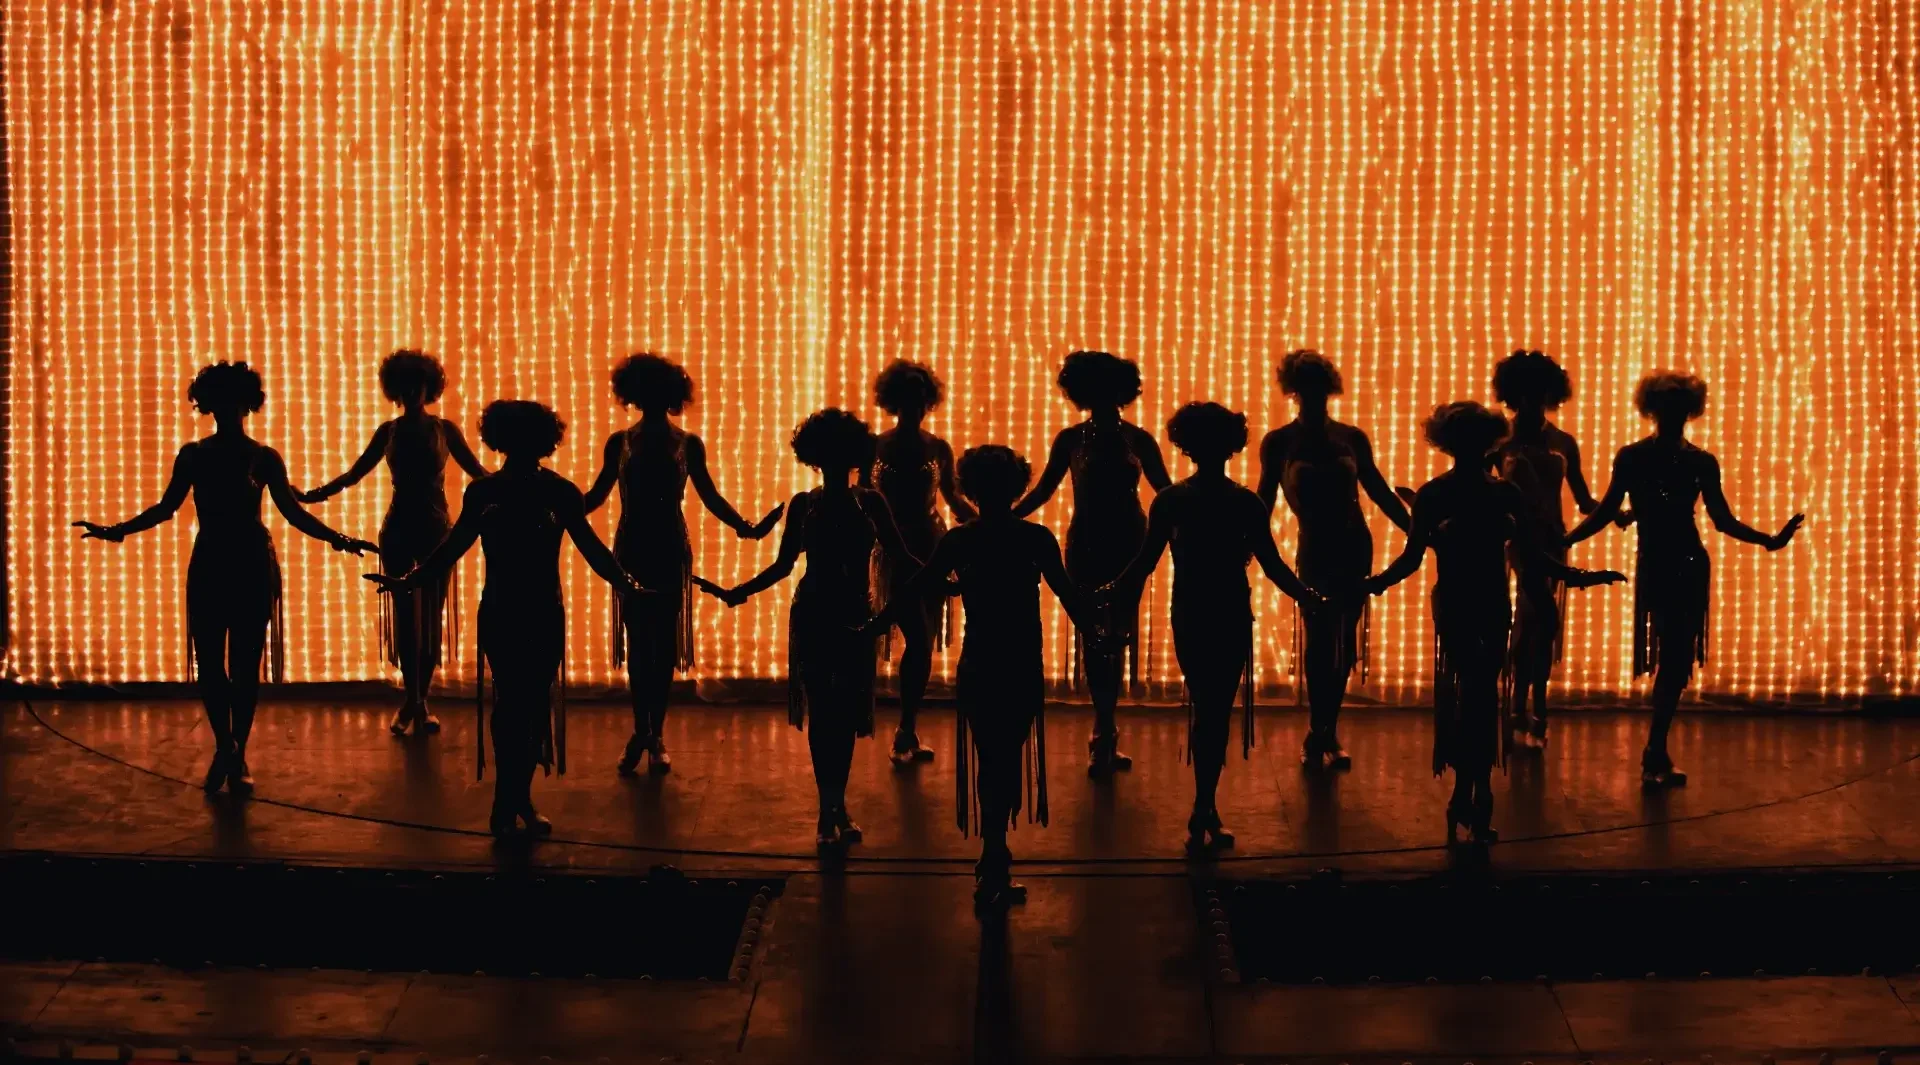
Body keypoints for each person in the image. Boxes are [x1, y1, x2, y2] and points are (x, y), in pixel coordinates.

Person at [75, 362, 376, 794]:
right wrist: (117, 530)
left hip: (242, 563)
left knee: (240, 666)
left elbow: (292, 511)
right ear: (212, 405)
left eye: (231, 401)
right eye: (221, 401)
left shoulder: (258, 457)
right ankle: (229, 750)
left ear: (243, 404)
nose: (227, 409)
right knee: (215, 665)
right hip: (222, 562)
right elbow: (166, 508)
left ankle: (233, 751)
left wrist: (338, 539)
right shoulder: (200, 455)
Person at [366, 400, 649, 837]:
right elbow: (456, 546)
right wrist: (628, 584)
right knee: (525, 703)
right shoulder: (529, 492)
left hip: (514, 608)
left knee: (518, 704)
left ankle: (511, 801)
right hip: (525, 609)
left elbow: (453, 548)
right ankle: (514, 801)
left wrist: (412, 579)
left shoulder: (506, 492)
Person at [1365, 402, 1625, 845]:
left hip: (1476, 602)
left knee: (1476, 694)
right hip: (1473, 602)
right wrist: (1577, 576)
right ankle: (1475, 792)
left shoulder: (1447, 493)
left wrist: (1374, 584)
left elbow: (1416, 559)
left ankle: (1468, 792)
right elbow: (1529, 555)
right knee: (1479, 693)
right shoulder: (1487, 494)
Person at [867, 444, 1099, 913]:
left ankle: (993, 856)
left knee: (989, 755)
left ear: (971, 489)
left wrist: (875, 624)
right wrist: (1099, 634)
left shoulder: (960, 541)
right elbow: (1069, 596)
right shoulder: (1035, 538)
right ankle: (996, 855)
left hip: (980, 661)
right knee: (1006, 755)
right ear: (1017, 488)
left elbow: (917, 586)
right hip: (1020, 660)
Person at [1564, 372, 1803, 787]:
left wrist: (1769, 540)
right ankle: (1656, 750)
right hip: (1673, 562)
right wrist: (1769, 540)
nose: (1673, 415)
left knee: (1673, 658)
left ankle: (1656, 748)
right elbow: (1608, 512)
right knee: (1672, 658)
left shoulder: (1652, 458)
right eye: (1668, 408)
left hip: (1675, 562)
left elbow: (1719, 519)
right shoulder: (1679, 460)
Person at [1105, 403, 1325, 853]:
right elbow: (1272, 565)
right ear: (1231, 446)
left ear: (1186, 446)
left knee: (1207, 707)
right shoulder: (1244, 502)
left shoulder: (1172, 501)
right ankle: (1205, 805)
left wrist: (1108, 596)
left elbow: (1144, 563)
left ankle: (1204, 806)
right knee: (1215, 710)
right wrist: (1308, 596)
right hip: (1228, 611)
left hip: (1191, 610)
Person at [712, 409, 919, 849]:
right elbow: (785, 565)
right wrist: (739, 591)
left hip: (854, 617)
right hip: (819, 615)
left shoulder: (868, 502)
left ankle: (834, 805)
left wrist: (947, 574)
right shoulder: (807, 504)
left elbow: (901, 556)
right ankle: (832, 805)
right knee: (827, 713)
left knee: (840, 715)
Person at [582, 353, 780, 776]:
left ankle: (652, 734)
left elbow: (709, 495)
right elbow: (596, 495)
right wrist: (556, 508)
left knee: (661, 647)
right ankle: (644, 732)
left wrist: (745, 527)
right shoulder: (621, 442)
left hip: (669, 549)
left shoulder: (687, 444)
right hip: (633, 550)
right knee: (641, 646)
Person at [299, 350, 490, 736]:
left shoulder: (445, 430)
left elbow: (479, 473)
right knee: (406, 620)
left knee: (430, 619)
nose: (413, 392)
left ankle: (417, 702)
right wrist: (311, 495)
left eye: (418, 385)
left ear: (428, 387)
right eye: (406, 386)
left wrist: (516, 487)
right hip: (399, 530)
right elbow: (354, 473)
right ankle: (415, 702)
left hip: (436, 531)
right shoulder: (388, 432)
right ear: (397, 391)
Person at [1015, 351, 1172, 775]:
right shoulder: (1076, 439)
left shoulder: (1134, 439)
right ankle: (1104, 729)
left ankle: (1104, 728)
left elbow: (1166, 492)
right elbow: (1045, 490)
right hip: (1089, 543)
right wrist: (1005, 518)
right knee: (1096, 633)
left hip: (1127, 545)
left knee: (1114, 633)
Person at [1256, 350, 1413, 771]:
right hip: (1315, 547)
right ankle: (1319, 728)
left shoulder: (1351, 438)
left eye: (1321, 389)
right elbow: (1264, 499)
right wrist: (1246, 540)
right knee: (1320, 637)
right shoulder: (1279, 442)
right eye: (1308, 389)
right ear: (1295, 392)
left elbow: (1378, 491)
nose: (1315, 397)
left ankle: (1326, 729)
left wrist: (1417, 531)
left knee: (1344, 638)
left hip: (1353, 545)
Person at [861, 360, 974, 766]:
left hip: (931, 545)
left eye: (921, 400)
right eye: (910, 400)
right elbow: (864, 498)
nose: (917, 407)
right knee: (920, 638)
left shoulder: (937, 448)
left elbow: (952, 497)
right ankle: (904, 729)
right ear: (895, 403)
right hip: (894, 548)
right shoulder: (875, 446)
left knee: (922, 639)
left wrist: (981, 523)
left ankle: (907, 728)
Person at [1490, 350, 1600, 748]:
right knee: (1538, 615)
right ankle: (1529, 705)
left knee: (1535, 621)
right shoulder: (1497, 440)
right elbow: (1480, 486)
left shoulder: (1564, 442)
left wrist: (1615, 512)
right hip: (1515, 540)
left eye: (1539, 392)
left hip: (1554, 540)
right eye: (1526, 392)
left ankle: (1524, 704)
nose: (1532, 400)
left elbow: (1583, 499)